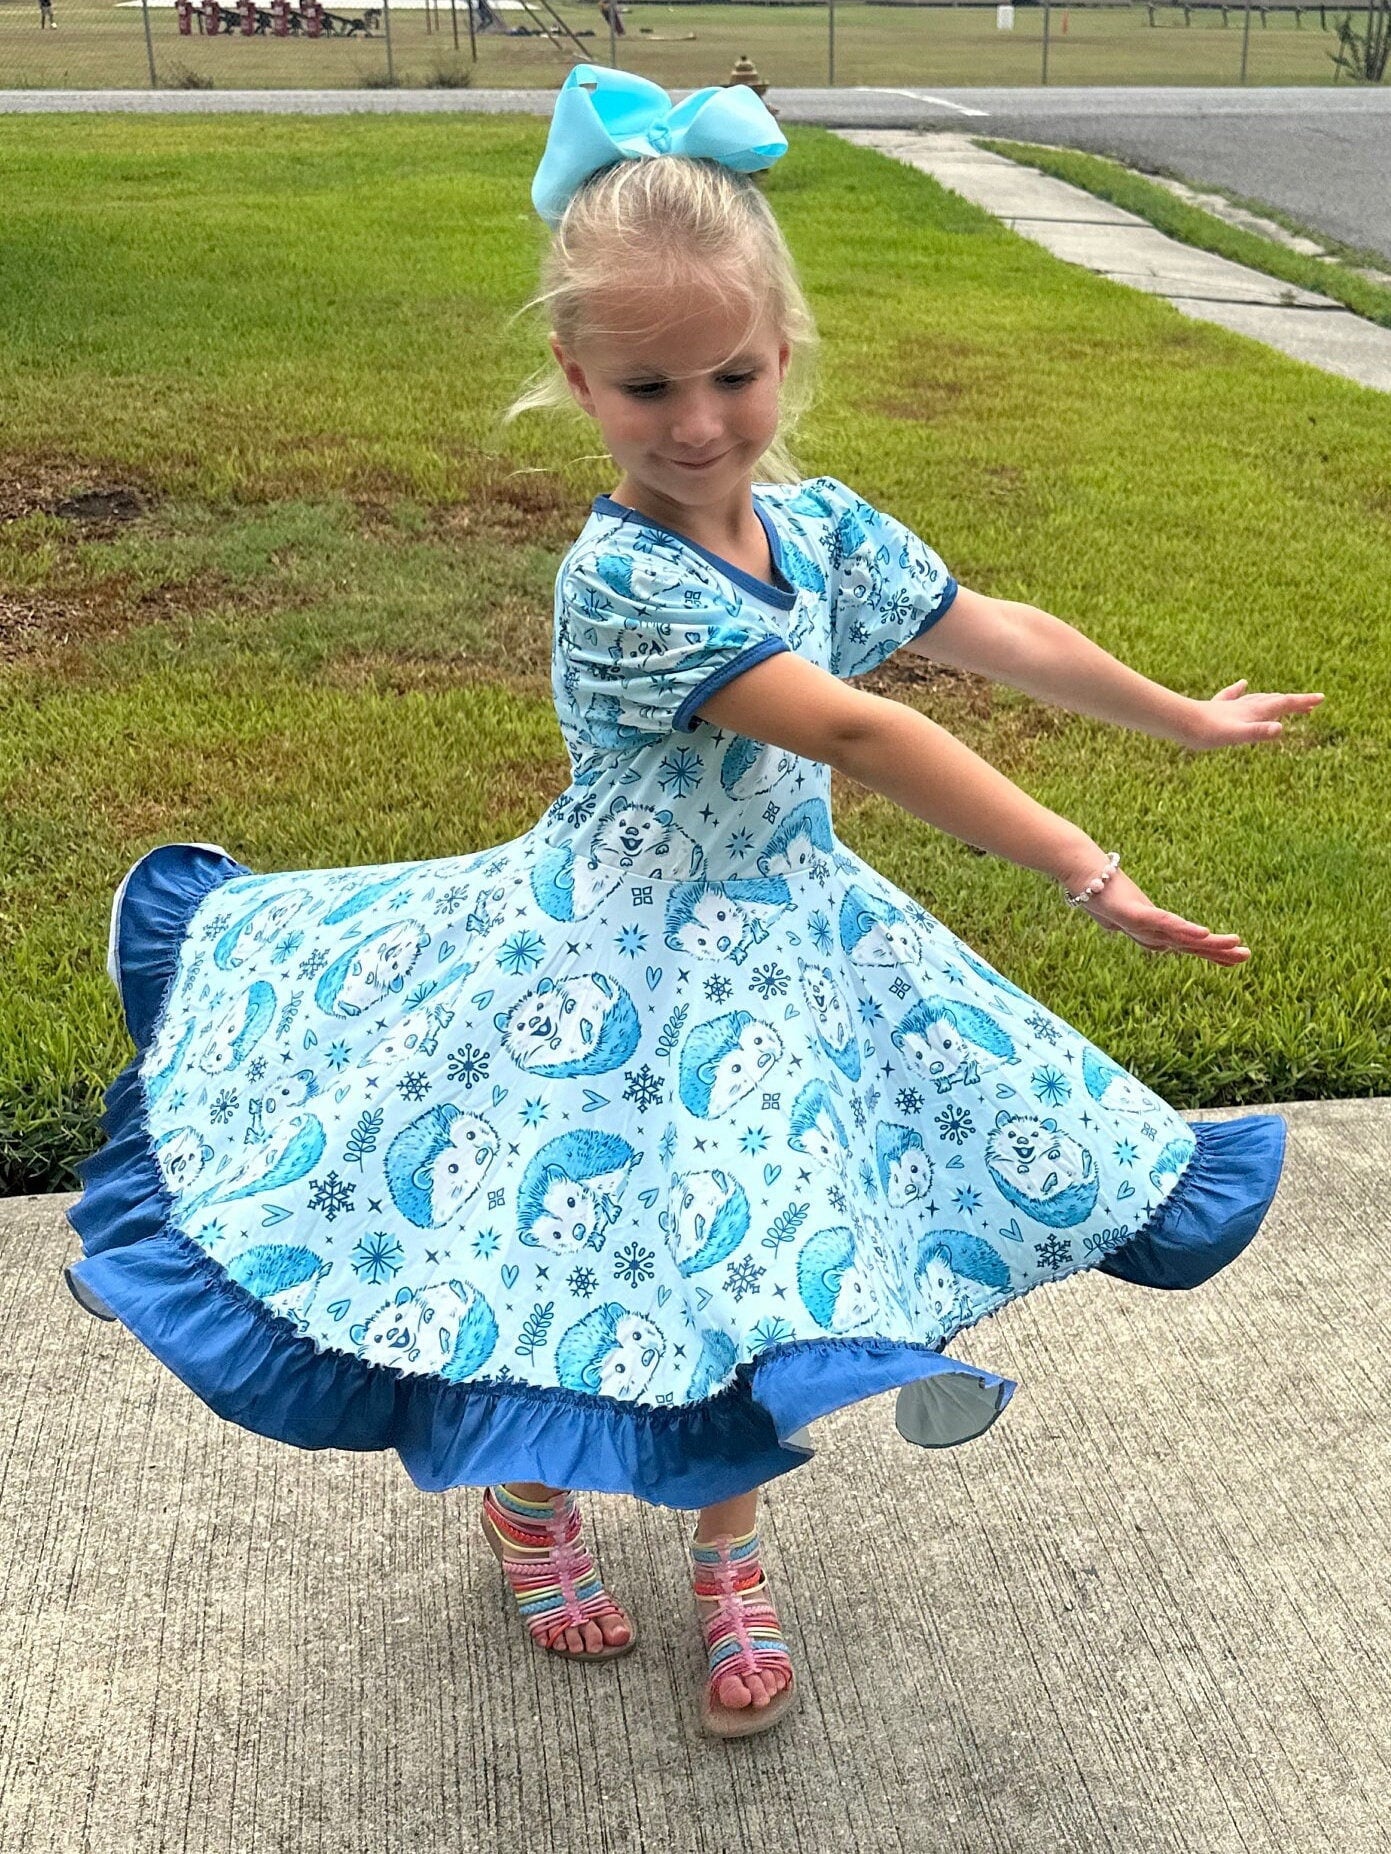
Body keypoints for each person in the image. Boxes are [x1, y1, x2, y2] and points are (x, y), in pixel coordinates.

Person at [63, 67, 1320, 1742]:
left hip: (785, 954)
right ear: (579, 382)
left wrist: (1180, 711)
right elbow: (861, 725)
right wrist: (1083, 865)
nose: (700, 419)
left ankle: (732, 1551)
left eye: (732, 373)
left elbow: (980, 625)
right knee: (556, 1237)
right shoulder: (627, 582)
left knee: (766, 1264)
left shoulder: (812, 527)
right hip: (607, 957)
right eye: (648, 384)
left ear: (783, 354)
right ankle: (529, 1495)